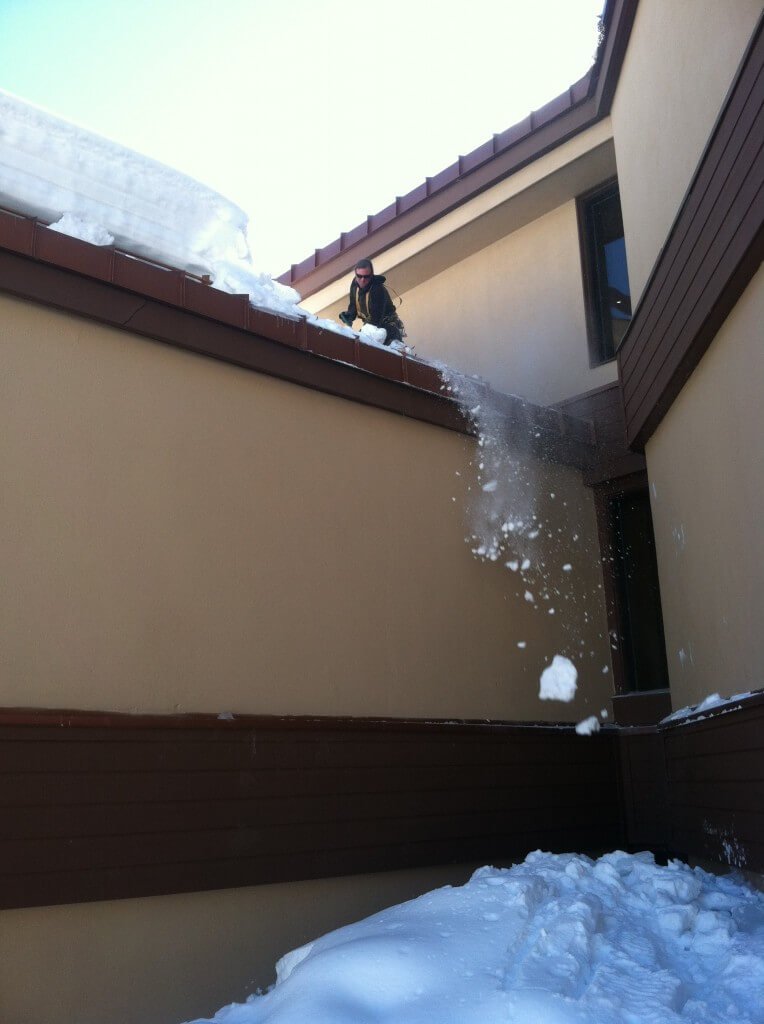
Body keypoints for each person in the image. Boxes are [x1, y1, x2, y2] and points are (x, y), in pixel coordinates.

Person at [338, 258, 405, 345]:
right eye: (359, 276)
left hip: (388, 329)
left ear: (371, 275)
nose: (362, 280)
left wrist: (361, 334)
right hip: (372, 327)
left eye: (366, 276)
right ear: (355, 274)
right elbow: (353, 306)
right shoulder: (354, 285)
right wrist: (349, 315)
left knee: (372, 338)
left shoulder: (378, 289)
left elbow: (375, 319)